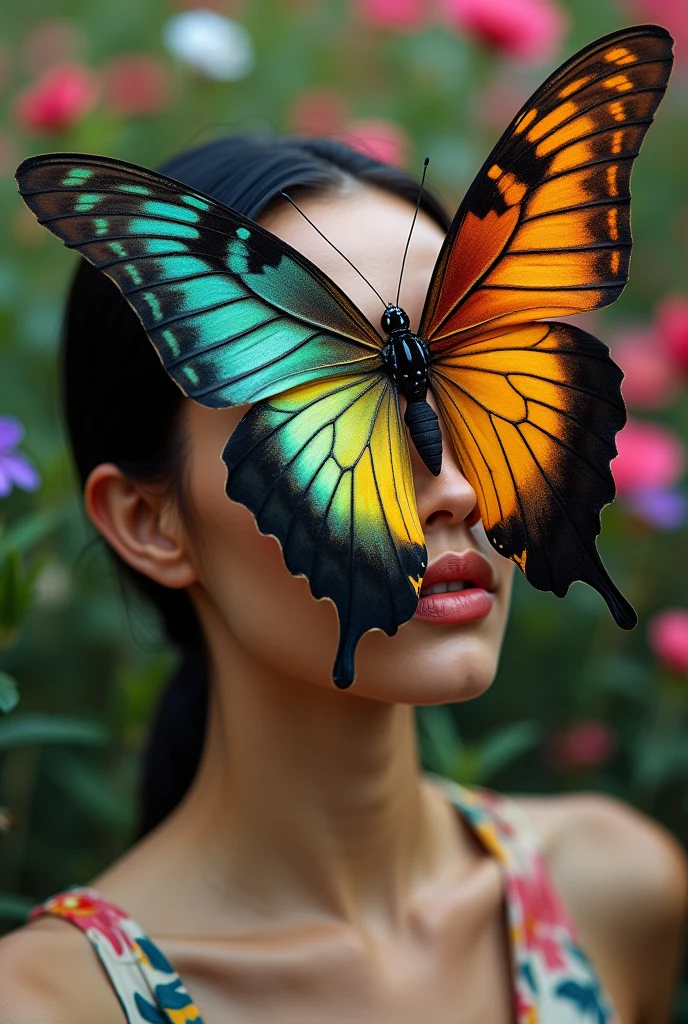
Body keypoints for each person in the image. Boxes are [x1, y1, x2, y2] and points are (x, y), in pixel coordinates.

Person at [1, 134, 686, 1023]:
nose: (462, 488)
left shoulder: (612, 891)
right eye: (322, 392)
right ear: (148, 522)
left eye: (471, 359)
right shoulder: (47, 1006)